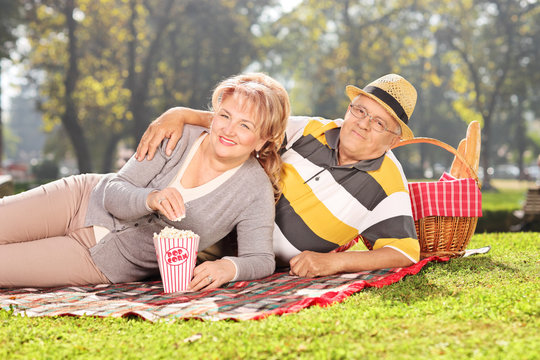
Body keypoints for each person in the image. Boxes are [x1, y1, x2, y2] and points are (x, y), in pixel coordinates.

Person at [0, 72, 290, 290]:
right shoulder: (179, 135)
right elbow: (113, 190)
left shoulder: (254, 190)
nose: (228, 129)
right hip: (79, 199)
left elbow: (260, 257)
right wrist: (150, 198)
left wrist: (229, 267)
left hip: (99, 262)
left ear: (263, 139)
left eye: (245, 125)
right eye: (224, 115)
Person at [136, 73, 420, 277]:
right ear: (349, 109)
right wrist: (181, 114)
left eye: (379, 122)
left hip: (251, 260)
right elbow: (247, 126)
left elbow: (405, 253)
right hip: (209, 221)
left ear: (394, 140)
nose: (363, 124)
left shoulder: (387, 181)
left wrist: (332, 263)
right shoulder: (310, 130)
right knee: (129, 233)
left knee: (142, 257)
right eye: (359, 110)